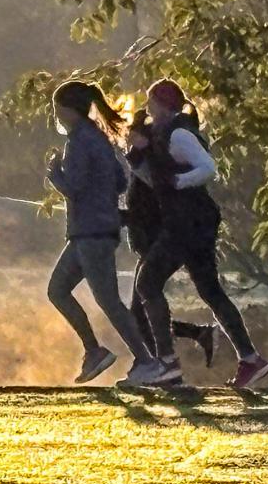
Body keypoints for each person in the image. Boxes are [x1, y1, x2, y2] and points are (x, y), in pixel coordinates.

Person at [130, 79, 268, 387]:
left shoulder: (179, 134)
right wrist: (138, 154)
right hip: (192, 222)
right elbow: (155, 181)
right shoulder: (161, 135)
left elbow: (208, 168)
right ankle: (251, 359)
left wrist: (177, 183)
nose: (147, 109)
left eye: (151, 103)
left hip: (188, 222)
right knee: (209, 290)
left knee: (147, 282)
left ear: (163, 105)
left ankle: (167, 363)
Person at [45, 80, 176, 386]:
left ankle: (147, 362)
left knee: (108, 300)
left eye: (57, 108)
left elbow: (74, 189)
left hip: (91, 233)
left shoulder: (78, 141)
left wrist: (54, 175)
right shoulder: (100, 138)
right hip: (93, 231)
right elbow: (120, 181)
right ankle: (94, 351)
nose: (56, 114)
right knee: (58, 290)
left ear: (68, 110)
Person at [123, 109, 219, 373]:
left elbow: (150, 204)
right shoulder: (144, 164)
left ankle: (163, 364)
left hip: (156, 238)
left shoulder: (151, 165)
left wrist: (125, 217)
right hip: (151, 237)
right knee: (139, 310)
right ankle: (190, 338)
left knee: (140, 307)